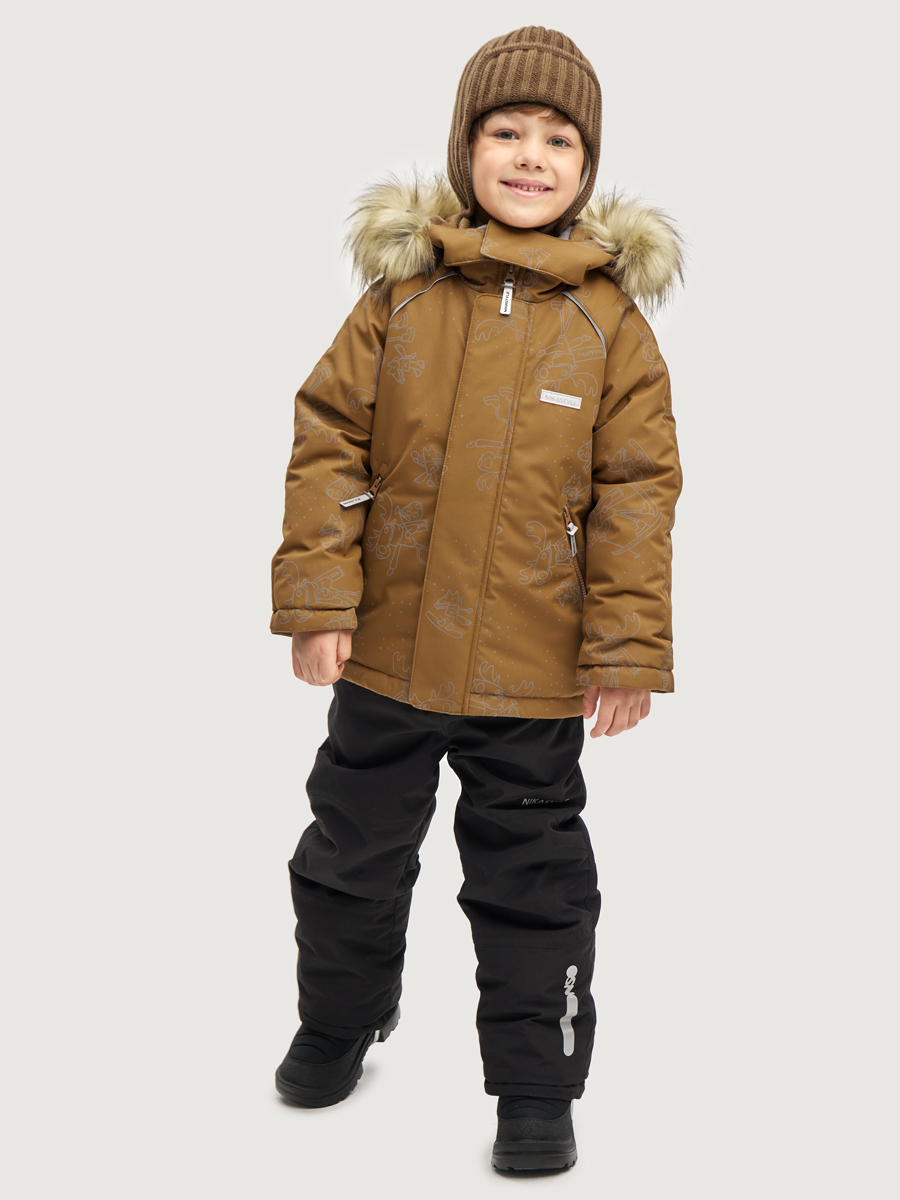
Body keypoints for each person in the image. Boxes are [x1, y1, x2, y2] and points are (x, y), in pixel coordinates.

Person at [270, 25, 684, 1173]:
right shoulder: (400, 300)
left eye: (559, 139)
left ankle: (537, 1088)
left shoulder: (611, 327)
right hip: (387, 660)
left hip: (530, 675)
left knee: (534, 884)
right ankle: (341, 1018)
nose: (531, 156)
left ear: (587, 167)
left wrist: (627, 650)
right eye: (506, 131)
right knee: (349, 857)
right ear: (466, 149)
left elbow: (638, 492)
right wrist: (319, 598)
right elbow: (328, 439)